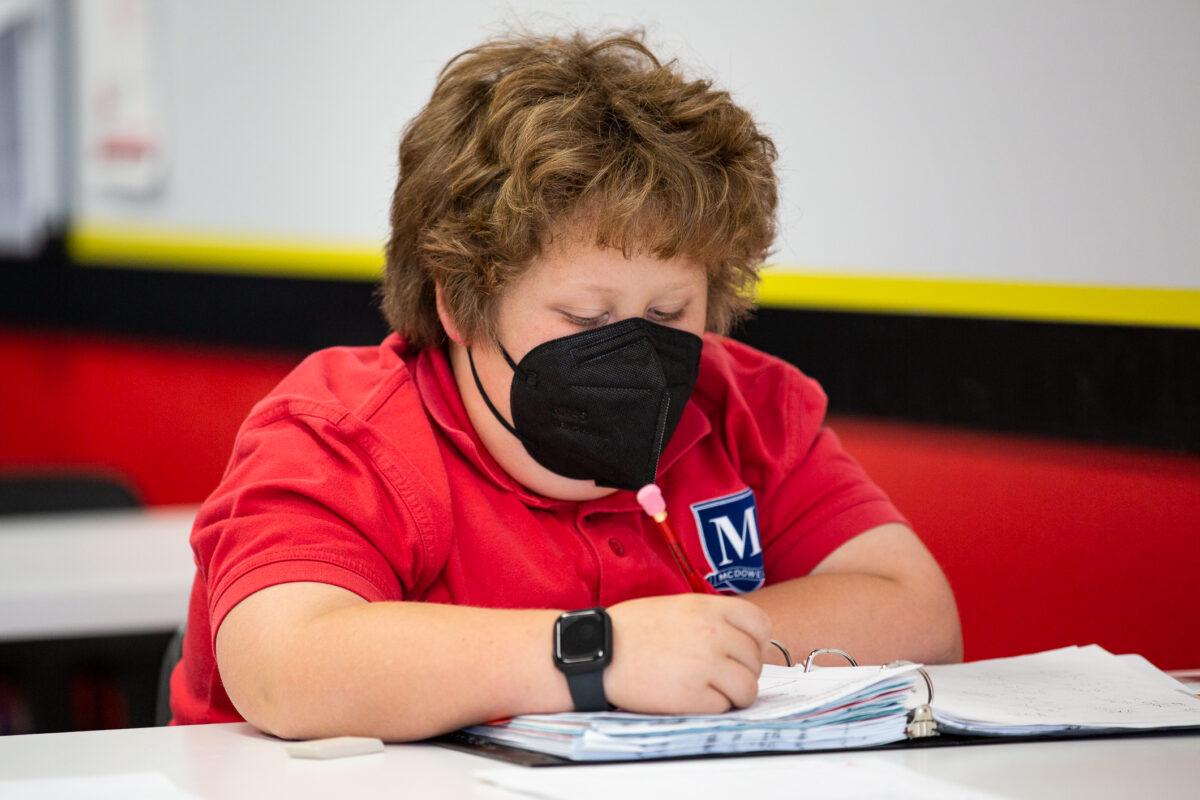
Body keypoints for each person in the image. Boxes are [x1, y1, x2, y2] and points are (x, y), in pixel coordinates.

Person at [170, 29, 961, 740]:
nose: (635, 351)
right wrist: (600, 653)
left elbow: (920, 615)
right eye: (585, 317)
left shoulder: (746, 405)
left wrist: (687, 648)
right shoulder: (344, 429)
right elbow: (284, 665)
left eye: (669, 310)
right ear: (457, 299)